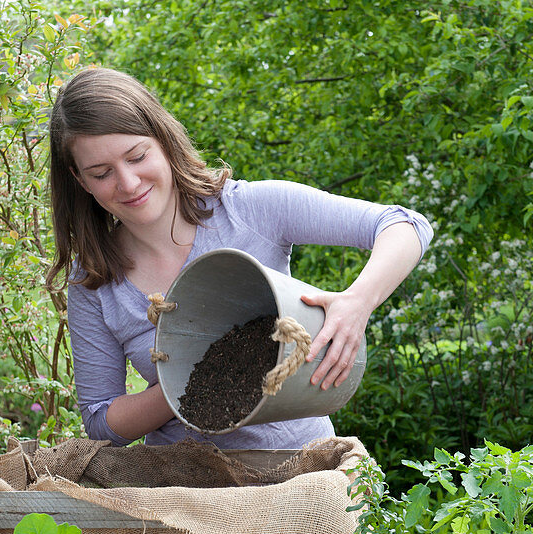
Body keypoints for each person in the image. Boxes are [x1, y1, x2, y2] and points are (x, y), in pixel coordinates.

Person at [46, 67, 433, 449]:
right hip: (183, 490)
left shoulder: (250, 210)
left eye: (136, 156)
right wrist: (187, 377)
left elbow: (405, 225)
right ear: (80, 180)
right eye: (101, 173)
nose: (128, 183)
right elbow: (100, 420)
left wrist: (358, 302)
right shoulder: (95, 281)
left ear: (162, 140)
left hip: (299, 471)